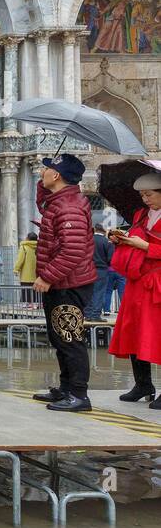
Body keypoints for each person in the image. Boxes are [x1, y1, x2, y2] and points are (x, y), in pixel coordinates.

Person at [30, 155, 97, 412]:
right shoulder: (60, 201)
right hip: (63, 282)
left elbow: (73, 250)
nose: (42, 171)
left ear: (57, 176)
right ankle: (67, 388)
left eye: (46, 169)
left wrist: (47, 276)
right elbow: (45, 205)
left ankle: (79, 394)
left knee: (70, 337)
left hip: (69, 284)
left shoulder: (69, 206)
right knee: (60, 337)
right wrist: (41, 183)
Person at [108, 171, 161, 408]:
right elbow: (136, 238)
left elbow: (149, 246)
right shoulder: (140, 214)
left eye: (149, 195)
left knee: (157, 334)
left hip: (157, 282)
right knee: (134, 331)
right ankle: (143, 384)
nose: (145, 199)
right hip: (136, 281)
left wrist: (145, 246)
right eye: (142, 195)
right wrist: (122, 238)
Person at [88, 224, 113, 322]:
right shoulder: (107, 242)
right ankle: (95, 315)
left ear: (94, 230)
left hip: (88, 269)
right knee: (99, 293)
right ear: (104, 231)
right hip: (101, 270)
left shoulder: (88, 240)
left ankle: (88, 314)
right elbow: (111, 259)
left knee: (89, 292)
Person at [15, 231, 39, 303]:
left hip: (26, 275)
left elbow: (20, 259)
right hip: (36, 274)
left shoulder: (24, 247)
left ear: (27, 238)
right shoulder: (39, 247)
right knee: (35, 290)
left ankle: (27, 304)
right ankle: (35, 304)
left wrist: (16, 269)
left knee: (26, 291)